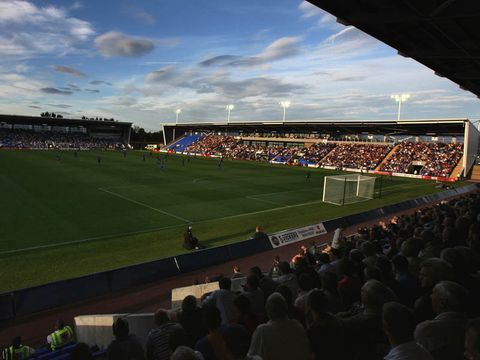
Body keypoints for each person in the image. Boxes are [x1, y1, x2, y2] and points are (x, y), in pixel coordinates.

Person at [248, 293, 310, 360]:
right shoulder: (298, 326)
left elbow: (252, 355)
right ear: (286, 308)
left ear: (268, 311)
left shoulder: (262, 331)